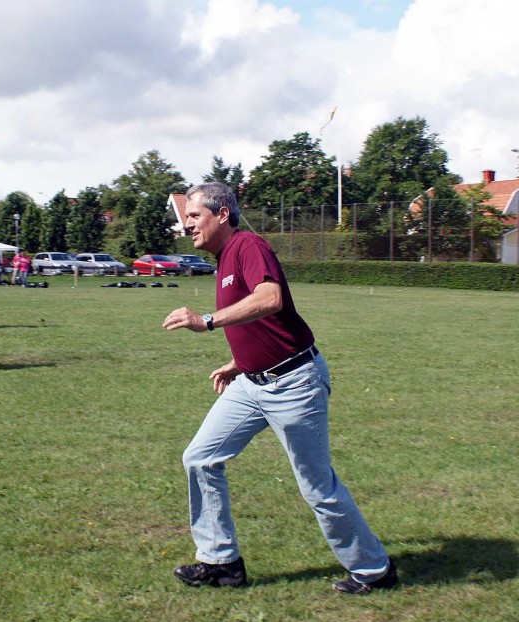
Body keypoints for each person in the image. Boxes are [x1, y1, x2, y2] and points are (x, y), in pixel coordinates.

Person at [161, 182, 397, 595]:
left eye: (194, 215)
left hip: (293, 383)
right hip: (251, 384)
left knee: (317, 487)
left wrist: (208, 321)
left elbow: (270, 298)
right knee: (200, 457)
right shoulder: (224, 257)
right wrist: (239, 363)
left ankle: (374, 569)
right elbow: (264, 321)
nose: (187, 224)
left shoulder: (249, 245)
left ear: (222, 214)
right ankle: (221, 563)